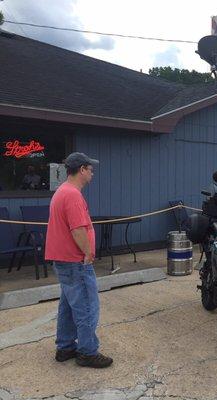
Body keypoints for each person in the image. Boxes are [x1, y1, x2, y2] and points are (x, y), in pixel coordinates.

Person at [45, 152, 113, 368]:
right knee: (86, 306)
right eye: (90, 169)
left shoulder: (61, 192)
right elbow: (77, 230)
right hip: (75, 261)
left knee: (68, 305)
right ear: (82, 169)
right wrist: (88, 253)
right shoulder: (73, 195)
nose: (92, 172)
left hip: (63, 259)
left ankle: (65, 347)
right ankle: (87, 352)